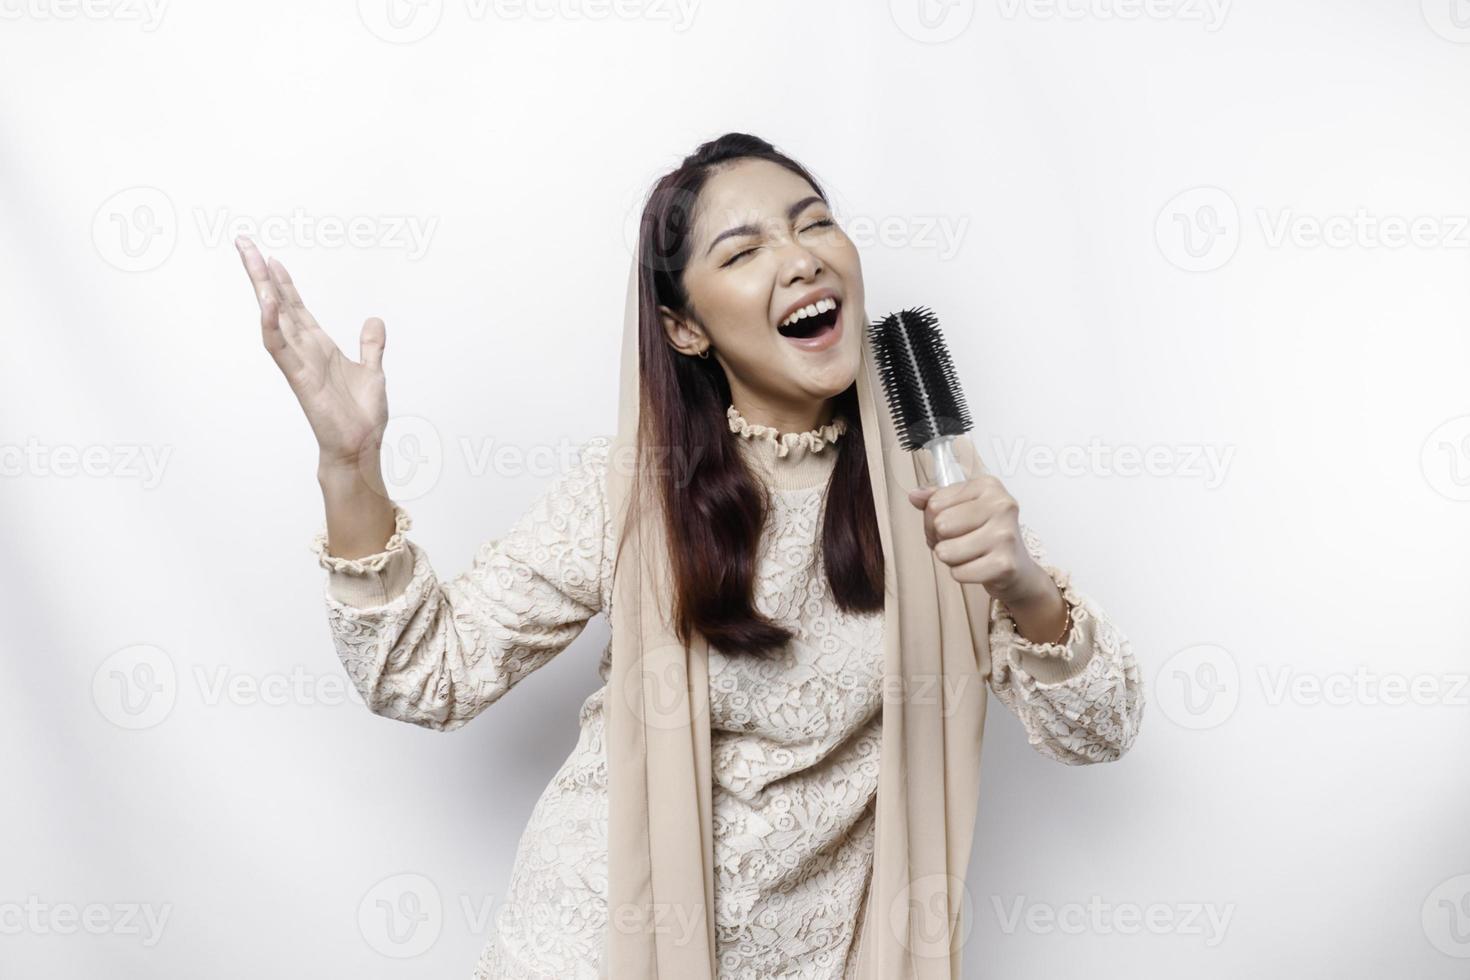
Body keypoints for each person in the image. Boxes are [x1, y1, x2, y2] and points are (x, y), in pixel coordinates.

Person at [234, 132, 1145, 980]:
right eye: (743, 252)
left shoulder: (939, 491)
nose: (800, 259)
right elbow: (423, 675)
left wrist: (1025, 588)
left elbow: (1100, 731)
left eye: (814, 223)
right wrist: (350, 469)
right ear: (685, 329)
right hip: (594, 949)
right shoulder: (631, 490)